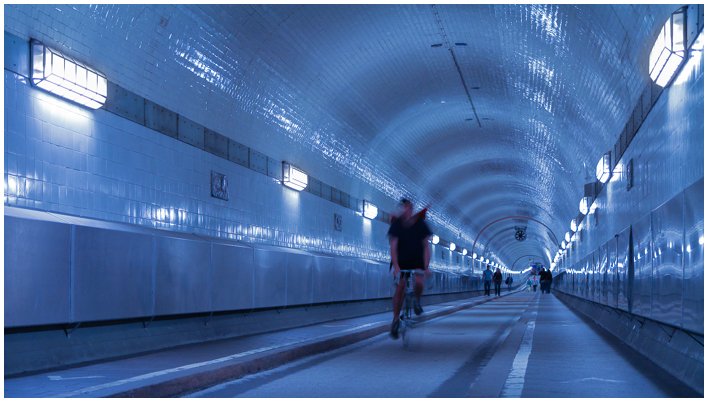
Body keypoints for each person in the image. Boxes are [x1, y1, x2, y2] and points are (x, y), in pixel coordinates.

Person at [388, 198, 432, 339]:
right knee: (400, 288)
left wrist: (426, 267)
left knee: (419, 282)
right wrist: (396, 266)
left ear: (412, 209)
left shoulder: (420, 224)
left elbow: (426, 246)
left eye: (409, 208)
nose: (406, 211)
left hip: (417, 261)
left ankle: (416, 301)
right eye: (404, 208)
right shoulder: (397, 224)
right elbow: (393, 246)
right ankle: (396, 320)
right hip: (401, 262)